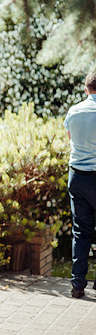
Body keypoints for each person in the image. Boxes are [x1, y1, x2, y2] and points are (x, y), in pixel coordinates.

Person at [64, 71, 96, 299]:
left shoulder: (74, 111)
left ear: (86, 89)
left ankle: (77, 285)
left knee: (80, 232)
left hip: (77, 176)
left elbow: (70, 139)